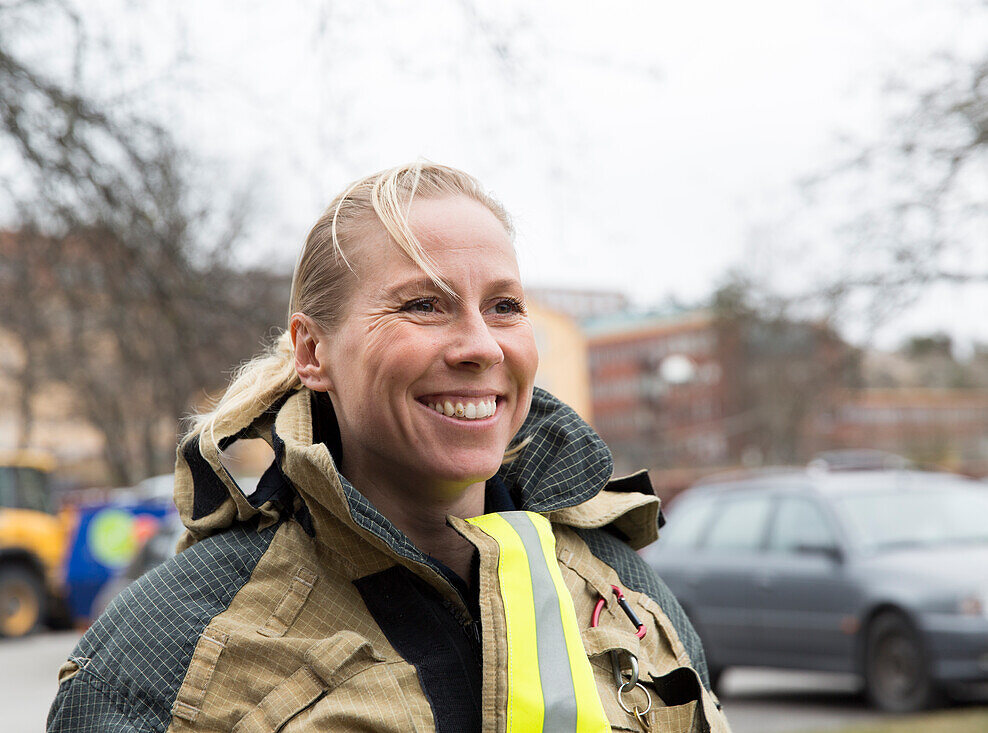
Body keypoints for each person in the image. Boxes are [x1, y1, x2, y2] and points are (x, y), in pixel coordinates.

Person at [47, 162, 732, 732]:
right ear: (313, 350)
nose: (480, 345)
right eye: (423, 305)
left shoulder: (624, 590)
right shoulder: (167, 646)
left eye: (504, 306)